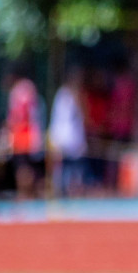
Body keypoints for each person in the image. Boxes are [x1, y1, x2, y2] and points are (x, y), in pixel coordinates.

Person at [0, 67, 44, 198]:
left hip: (21, 135)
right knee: (30, 167)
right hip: (30, 135)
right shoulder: (29, 88)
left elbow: (17, 116)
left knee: (23, 168)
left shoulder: (18, 91)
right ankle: (29, 194)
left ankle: (25, 194)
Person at [47, 67, 88, 197]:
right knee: (63, 172)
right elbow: (60, 121)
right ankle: (63, 194)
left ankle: (73, 194)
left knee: (75, 172)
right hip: (65, 141)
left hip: (74, 142)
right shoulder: (64, 96)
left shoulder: (73, 95)